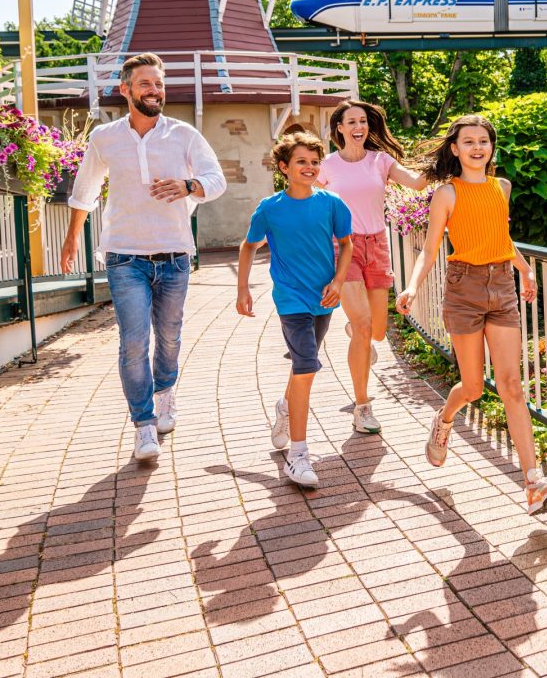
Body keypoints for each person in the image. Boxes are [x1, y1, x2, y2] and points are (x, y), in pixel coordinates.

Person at [60, 51, 225, 464]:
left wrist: (189, 185)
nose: (155, 91)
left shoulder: (184, 134)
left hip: (173, 254)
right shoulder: (105, 138)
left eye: (159, 84)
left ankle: (165, 393)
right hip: (124, 255)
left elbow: (216, 179)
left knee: (168, 337)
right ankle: (143, 424)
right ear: (125, 90)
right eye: (146, 84)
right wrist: (71, 239)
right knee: (134, 341)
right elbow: (85, 190)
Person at [396, 115, 547, 515]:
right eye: (468, 141)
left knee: (511, 386)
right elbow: (431, 248)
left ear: (491, 147)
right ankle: (445, 417)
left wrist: (523, 268)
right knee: (472, 387)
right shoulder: (447, 194)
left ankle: (532, 482)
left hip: (502, 286)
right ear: (454, 149)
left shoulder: (501, 187)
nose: (477, 147)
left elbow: (500, 237)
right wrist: (412, 286)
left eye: (483, 141)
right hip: (464, 289)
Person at [236, 131, 354, 488]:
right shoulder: (269, 208)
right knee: (306, 365)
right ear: (284, 167)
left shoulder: (332, 203)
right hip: (290, 298)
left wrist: (338, 282)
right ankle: (298, 455)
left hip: (324, 299)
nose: (310, 167)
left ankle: (287, 408)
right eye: (302, 161)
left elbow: (347, 245)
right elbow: (248, 246)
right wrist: (242, 288)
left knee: (305, 365)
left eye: (315, 162)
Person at [316, 100, 430, 434]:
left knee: (377, 331)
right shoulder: (327, 165)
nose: (358, 126)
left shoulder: (381, 161)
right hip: (343, 246)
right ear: (339, 127)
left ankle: (358, 335)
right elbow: (308, 199)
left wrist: (448, 156)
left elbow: (417, 183)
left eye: (363, 121)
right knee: (365, 325)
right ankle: (362, 406)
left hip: (377, 244)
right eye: (351, 121)